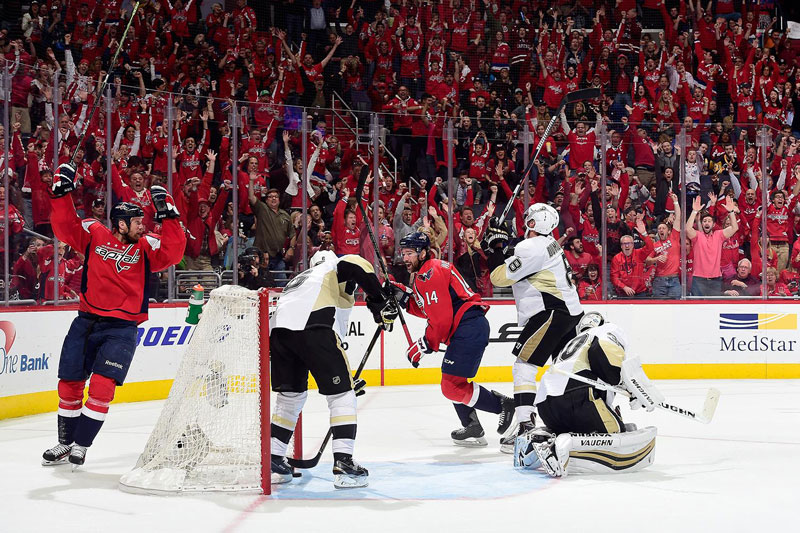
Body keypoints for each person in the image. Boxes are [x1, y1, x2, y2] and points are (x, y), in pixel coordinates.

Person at [41, 163, 185, 468]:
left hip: (122, 327)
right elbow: (65, 227)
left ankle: (81, 445)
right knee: (69, 382)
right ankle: (64, 444)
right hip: (86, 320)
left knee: (103, 386)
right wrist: (60, 194)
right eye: (136, 222)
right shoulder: (94, 233)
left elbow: (173, 253)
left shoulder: (147, 247)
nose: (142, 226)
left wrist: (170, 217)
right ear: (120, 224)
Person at [269, 250, 397, 489]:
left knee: (290, 398)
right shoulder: (331, 267)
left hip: (279, 335)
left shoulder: (300, 282)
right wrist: (380, 300)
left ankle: (274, 460)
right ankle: (344, 462)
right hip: (313, 328)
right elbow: (356, 263)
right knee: (342, 396)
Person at [389, 232, 514, 447]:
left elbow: (441, 317)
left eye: (410, 253)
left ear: (423, 253)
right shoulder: (428, 272)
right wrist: (405, 299)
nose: (405, 258)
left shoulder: (429, 272)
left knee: (450, 386)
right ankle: (471, 424)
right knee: (453, 381)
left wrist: (424, 344)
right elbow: (429, 309)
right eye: (403, 253)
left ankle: (503, 406)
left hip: (468, 327)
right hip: (467, 327)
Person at [485, 204, 584, 453]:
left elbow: (498, 277)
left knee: (524, 366)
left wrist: (496, 246)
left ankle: (525, 426)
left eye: (527, 219)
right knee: (563, 370)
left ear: (532, 224)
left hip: (551, 311)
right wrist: (503, 246)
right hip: (570, 312)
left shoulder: (530, 247)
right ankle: (576, 416)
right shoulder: (548, 243)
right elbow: (522, 262)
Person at [515, 312, 663, 477]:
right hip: (577, 398)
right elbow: (604, 359)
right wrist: (635, 389)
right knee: (615, 431)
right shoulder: (607, 330)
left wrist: (630, 390)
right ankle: (561, 446)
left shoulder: (575, 341)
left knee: (581, 425)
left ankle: (541, 438)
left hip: (546, 406)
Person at [686, 195, 739, 296]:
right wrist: (694, 212)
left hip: (715, 279)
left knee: (714, 307)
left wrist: (731, 212)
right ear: (701, 224)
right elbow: (688, 229)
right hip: (698, 279)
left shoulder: (719, 235)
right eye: (704, 221)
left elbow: (734, 228)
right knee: (697, 308)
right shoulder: (697, 236)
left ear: (713, 224)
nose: (707, 223)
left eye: (709, 221)